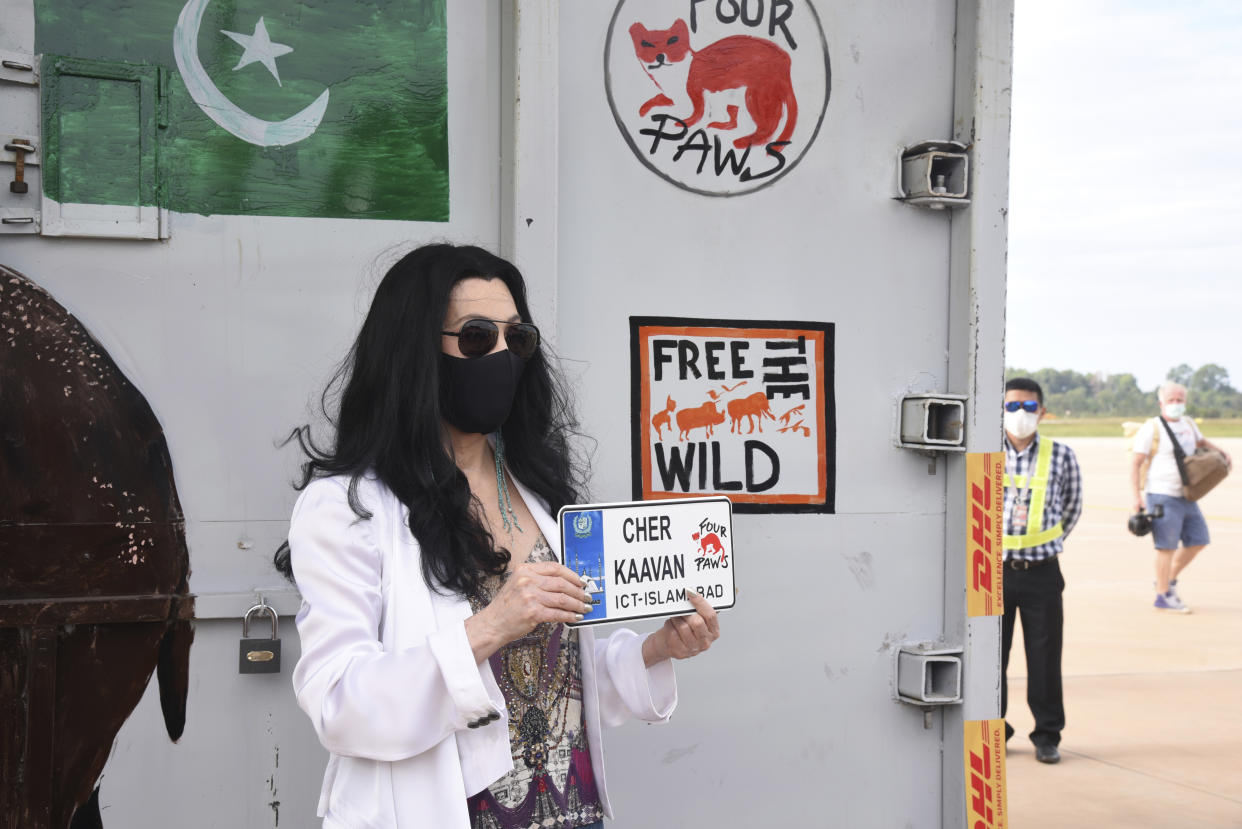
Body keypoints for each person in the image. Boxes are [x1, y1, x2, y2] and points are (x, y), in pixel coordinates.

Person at [274, 244, 720, 828]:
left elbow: (563, 678)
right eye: (479, 337)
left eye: (519, 338)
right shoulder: (350, 507)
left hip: (570, 810)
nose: (504, 355)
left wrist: (655, 650)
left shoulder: (537, 489)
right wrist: (488, 628)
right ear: (415, 353)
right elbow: (339, 703)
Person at [1000, 377, 1082, 765]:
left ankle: (1047, 734)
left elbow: (1071, 508)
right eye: (1012, 406)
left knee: (1045, 656)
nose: (1020, 415)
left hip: (1041, 571)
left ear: (1042, 412)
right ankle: (992, 725)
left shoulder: (1061, 455)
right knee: (990, 655)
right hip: (991, 572)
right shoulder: (983, 453)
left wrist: (1041, 544)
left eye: (1029, 407)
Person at [1129, 381, 1231, 613]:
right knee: (1166, 547)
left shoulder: (1188, 424)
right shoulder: (1152, 428)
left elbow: (1201, 443)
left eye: (1180, 400)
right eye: (1171, 400)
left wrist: (1221, 452)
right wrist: (1137, 496)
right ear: (1161, 403)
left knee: (1198, 540)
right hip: (1162, 495)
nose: (1176, 404)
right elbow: (1136, 463)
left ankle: (1167, 581)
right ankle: (1163, 596)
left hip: (1187, 494)